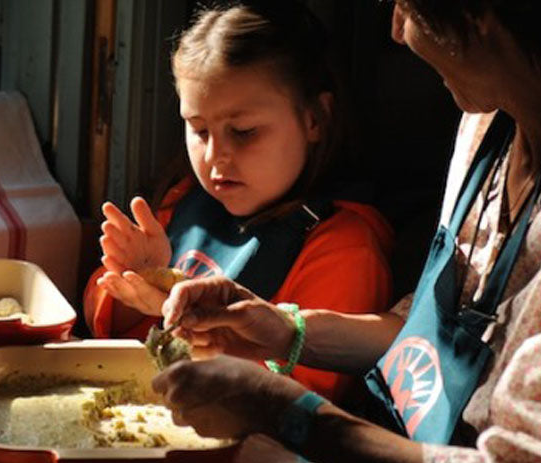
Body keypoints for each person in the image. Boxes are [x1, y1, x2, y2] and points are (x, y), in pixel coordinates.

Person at [151, 0, 541, 463]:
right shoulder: (486, 124)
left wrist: (285, 411)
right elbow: (433, 335)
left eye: (407, 8)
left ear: (479, 14)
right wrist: (286, 330)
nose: (395, 30)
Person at [83, 1, 394, 403]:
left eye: (244, 132)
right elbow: (96, 314)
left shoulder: (346, 249)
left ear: (315, 119)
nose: (216, 156)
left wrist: (200, 334)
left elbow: (305, 401)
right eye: (198, 130)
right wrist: (136, 286)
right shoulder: (186, 201)